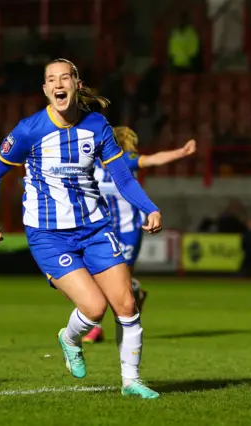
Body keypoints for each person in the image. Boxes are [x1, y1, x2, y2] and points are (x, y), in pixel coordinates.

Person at [0, 58, 162, 399]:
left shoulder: (97, 126)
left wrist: (148, 207)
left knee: (126, 303)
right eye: (52, 79)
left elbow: (122, 176)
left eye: (65, 77)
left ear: (77, 84)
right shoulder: (29, 130)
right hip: (49, 236)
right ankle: (69, 338)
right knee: (94, 309)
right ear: (46, 90)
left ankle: (132, 381)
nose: (58, 83)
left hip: (95, 228)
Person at [84, 126, 196, 343]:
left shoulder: (125, 160)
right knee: (96, 278)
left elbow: (152, 160)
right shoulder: (91, 164)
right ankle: (98, 326)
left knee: (118, 282)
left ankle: (128, 299)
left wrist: (181, 152)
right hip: (103, 229)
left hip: (128, 230)